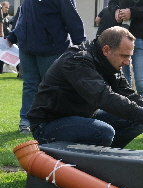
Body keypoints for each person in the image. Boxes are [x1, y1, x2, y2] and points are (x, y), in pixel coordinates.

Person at [28, 26, 143, 149]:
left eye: (130, 56)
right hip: (49, 124)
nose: (128, 62)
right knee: (102, 132)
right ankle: (79, 168)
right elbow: (103, 97)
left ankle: (101, 162)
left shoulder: (109, 62)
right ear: (106, 50)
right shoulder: (77, 61)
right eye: (124, 56)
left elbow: (129, 95)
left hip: (83, 117)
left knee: (138, 120)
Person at [6, 0, 86, 134]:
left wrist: (81, 45)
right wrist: (13, 36)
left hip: (52, 49)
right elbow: (23, 16)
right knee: (30, 85)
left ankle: (54, 122)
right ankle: (26, 121)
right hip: (27, 48)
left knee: (52, 87)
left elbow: (72, 19)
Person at [108, 0, 143, 145]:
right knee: (122, 86)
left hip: (140, 37)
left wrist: (132, 12)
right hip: (120, 37)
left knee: (142, 84)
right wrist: (116, 11)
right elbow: (112, 3)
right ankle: (122, 128)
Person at [0, 1, 10, 74]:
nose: (7, 9)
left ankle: (1, 70)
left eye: (8, 8)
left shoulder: (5, 17)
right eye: (5, 7)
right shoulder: (2, 17)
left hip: (5, 38)